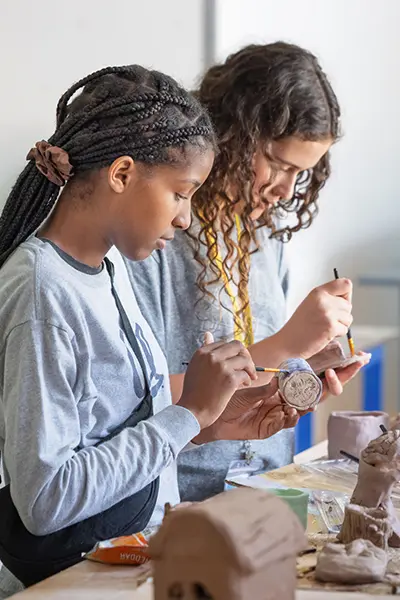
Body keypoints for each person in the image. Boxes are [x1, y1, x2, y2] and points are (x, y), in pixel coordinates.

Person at [0, 65, 300, 596]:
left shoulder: (109, 267)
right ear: (121, 173)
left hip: (124, 565)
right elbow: (46, 499)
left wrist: (215, 421)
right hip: (67, 581)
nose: (185, 218)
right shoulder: (41, 292)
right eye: (182, 193)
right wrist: (189, 413)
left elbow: (118, 435)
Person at [124, 42, 368, 502]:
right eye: (278, 164)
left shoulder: (266, 232)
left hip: (268, 486)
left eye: (303, 174)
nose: (286, 190)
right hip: (179, 499)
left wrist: (303, 367)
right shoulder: (155, 235)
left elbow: (262, 371)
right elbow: (132, 399)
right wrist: (285, 344)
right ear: (233, 134)